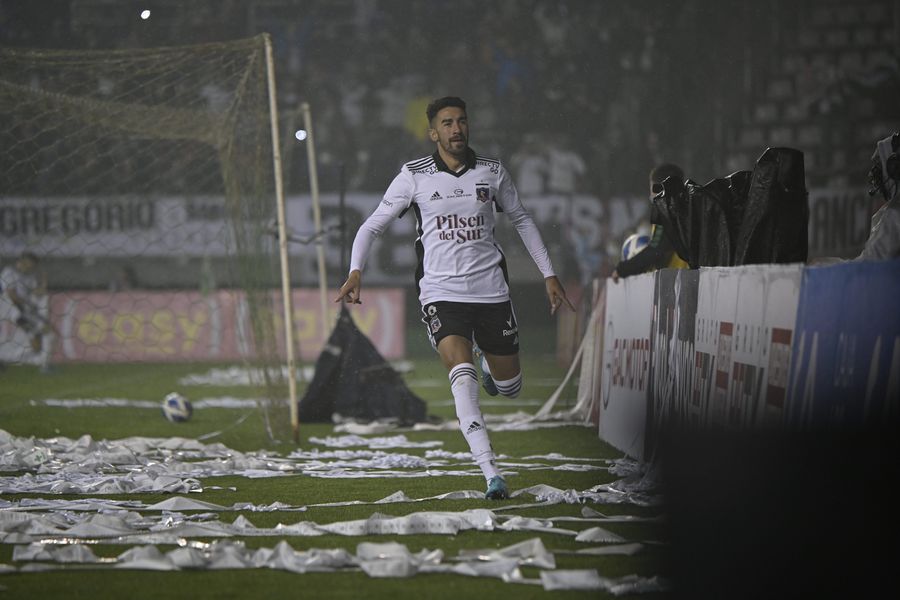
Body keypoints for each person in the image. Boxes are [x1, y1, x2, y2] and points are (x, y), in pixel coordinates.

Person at [335, 96, 574, 500]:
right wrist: (356, 270)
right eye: (446, 123)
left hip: (492, 293)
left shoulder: (493, 172)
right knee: (461, 379)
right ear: (434, 133)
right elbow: (372, 225)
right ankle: (491, 473)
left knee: (510, 387)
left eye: (461, 121)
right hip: (441, 293)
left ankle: (489, 363)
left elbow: (522, 220)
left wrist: (549, 273)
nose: (456, 129)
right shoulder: (414, 176)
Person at [611, 162, 689, 281]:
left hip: (678, 280)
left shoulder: (666, 210)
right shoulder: (692, 206)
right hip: (699, 278)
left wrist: (622, 269)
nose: (651, 195)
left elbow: (656, 250)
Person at [0, 252, 53, 371]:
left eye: (33, 265)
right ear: (24, 261)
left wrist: (44, 283)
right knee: (40, 333)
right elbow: (11, 294)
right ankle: (41, 364)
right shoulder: (9, 272)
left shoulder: (29, 277)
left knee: (40, 334)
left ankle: (42, 363)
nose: (32, 267)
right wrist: (26, 305)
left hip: (21, 311)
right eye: (31, 263)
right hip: (11, 310)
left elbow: (36, 293)